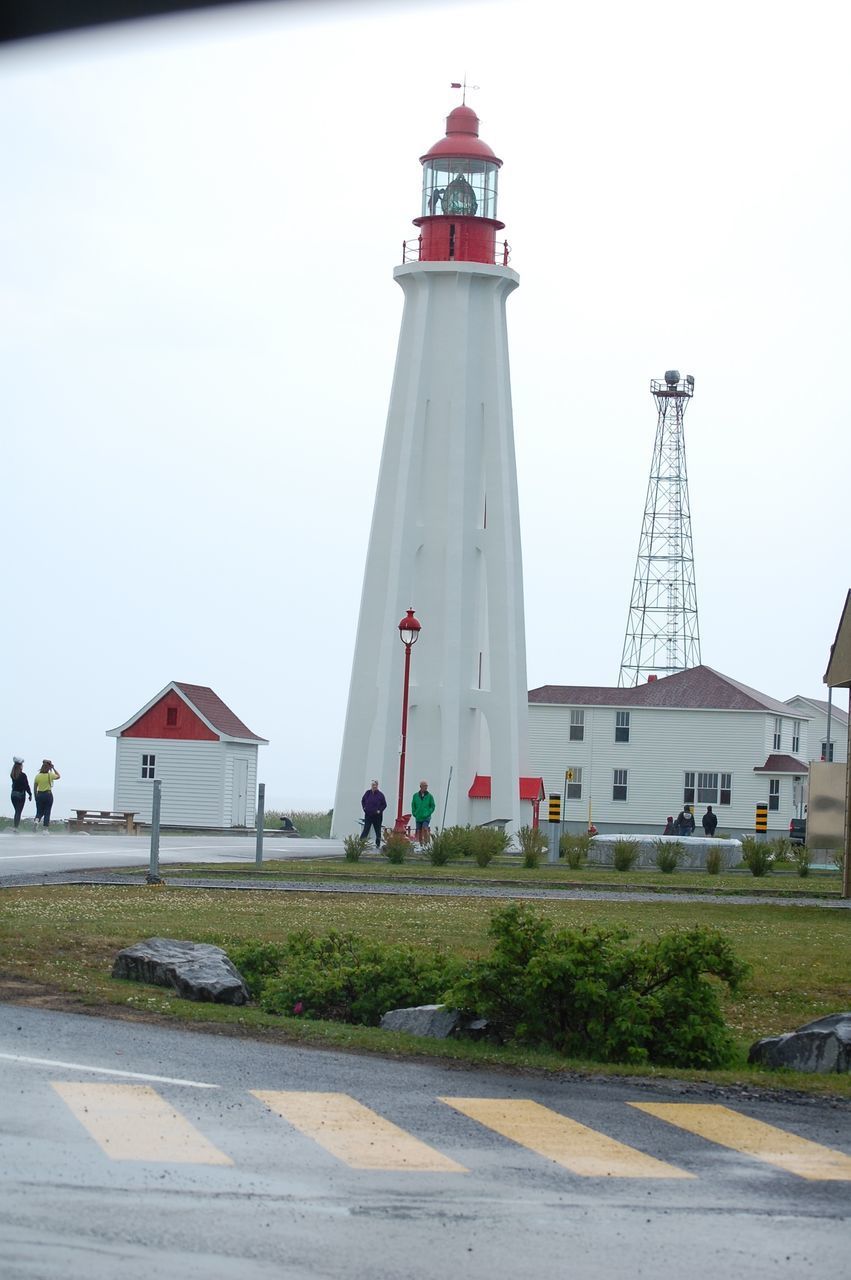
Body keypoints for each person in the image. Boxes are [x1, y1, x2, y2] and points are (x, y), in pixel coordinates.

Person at [33, 758, 60, 830]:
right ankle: (45, 829)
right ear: (49, 767)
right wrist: (53, 768)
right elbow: (58, 776)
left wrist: (36, 797)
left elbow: (35, 787)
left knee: (39, 811)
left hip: (39, 795)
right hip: (48, 795)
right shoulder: (50, 775)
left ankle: (36, 820)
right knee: (47, 812)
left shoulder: (37, 776)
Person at [360, 779, 386, 849]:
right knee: (366, 829)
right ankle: (361, 843)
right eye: (372, 785)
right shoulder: (367, 793)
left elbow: (384, 805)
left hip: (377, 816)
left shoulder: (381, 795)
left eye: (375, 785)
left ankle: (378, 844)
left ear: (377, 785)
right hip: (368, 815)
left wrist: (379, 811)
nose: (374, 786)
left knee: (377, 830)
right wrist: (364, 808)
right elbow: (363, 801)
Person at [10, 757, 32, 830]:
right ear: (21, 766)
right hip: (21, 795)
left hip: (13, 794)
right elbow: (26, 785)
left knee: (16, 811)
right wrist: (30, 794)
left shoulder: (12, 774)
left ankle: (16, 826)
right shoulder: (23, 775)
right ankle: (15, 827)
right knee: (18, 812)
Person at [411, 780, 435, 844]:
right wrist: (414, 812)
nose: (426, 787)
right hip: (418, 816)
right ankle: (421, 844)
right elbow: (413, 805)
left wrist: (428, 812)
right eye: (424, 786)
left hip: (426, 816)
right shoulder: (415, 796)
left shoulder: (430, 796)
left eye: (426, 786)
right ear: (420, 786)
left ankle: (427, 843)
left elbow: (432, 806)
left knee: (425, 828)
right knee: (419, 831)